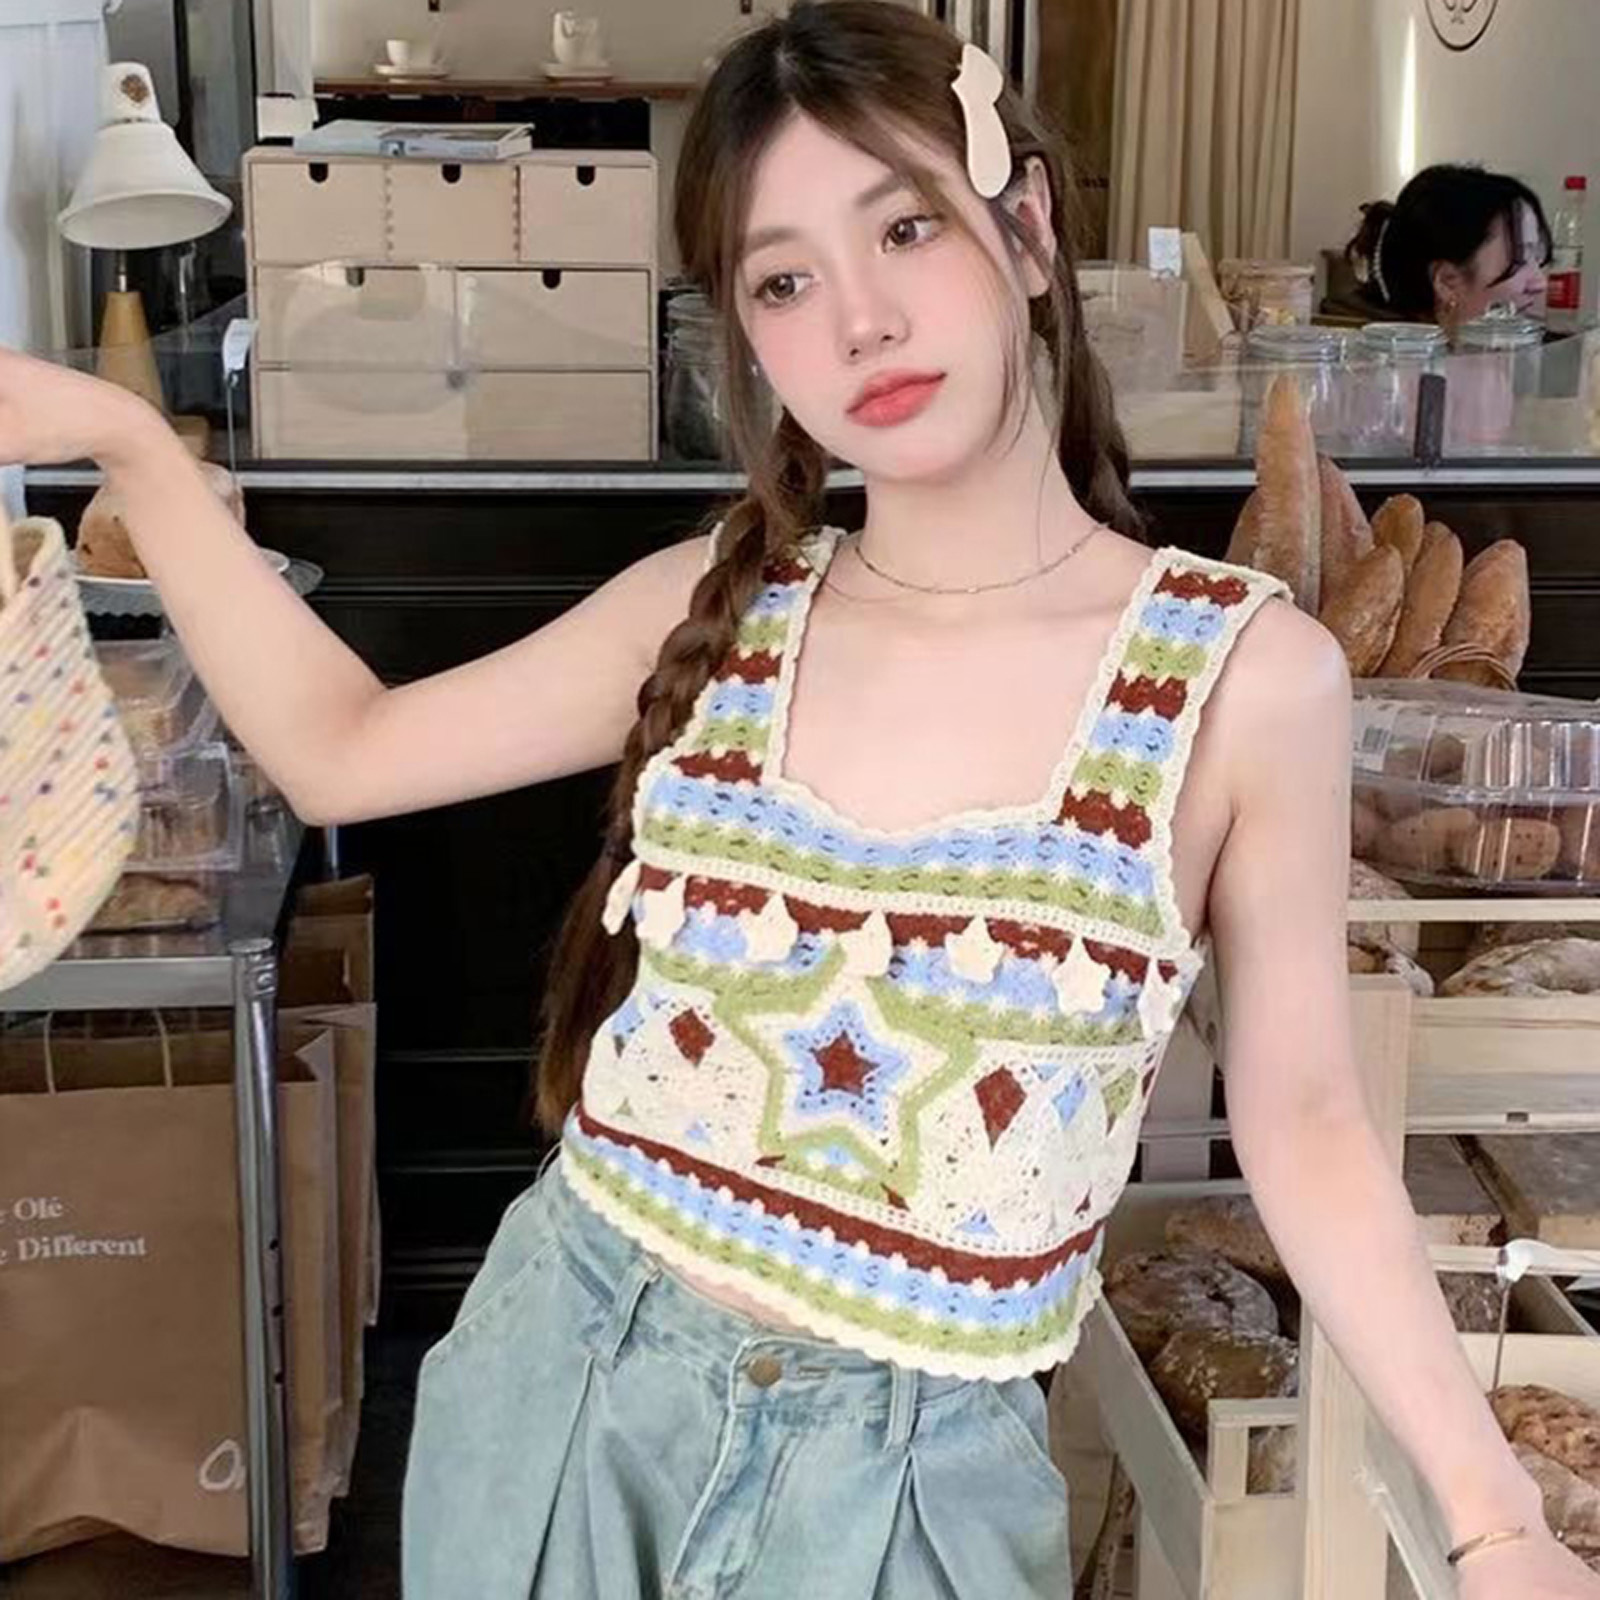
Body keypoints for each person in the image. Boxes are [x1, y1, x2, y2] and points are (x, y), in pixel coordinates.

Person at [0, 5, 1594, 1597]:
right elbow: (344, 746)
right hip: (564, 1392)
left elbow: (1307, 1122)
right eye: (783, 280)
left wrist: (1496, 1520)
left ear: (1029, 229)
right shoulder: (723, 602)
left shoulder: (1247, 678)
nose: (860, 322)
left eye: (905, 228)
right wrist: (127, 442)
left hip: (907, 1490)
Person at [1345, 162, 1553, 333]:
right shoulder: (1404, 371)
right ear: (1447, 281)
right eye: (1520, 259)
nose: (1540, 283)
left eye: (1537, 257)